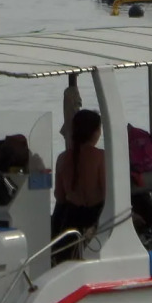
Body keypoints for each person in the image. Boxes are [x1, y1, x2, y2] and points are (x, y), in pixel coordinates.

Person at [52, 108, 105, 260]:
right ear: (95, 131)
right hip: (95, 218)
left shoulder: (62, 158)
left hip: (71, 220)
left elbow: (60, 196)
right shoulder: (100, 157)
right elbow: (108, 193)